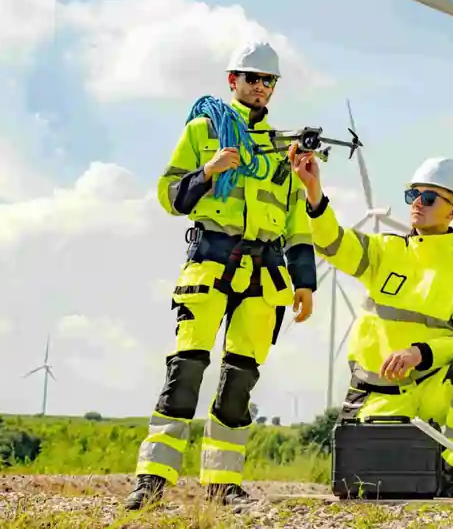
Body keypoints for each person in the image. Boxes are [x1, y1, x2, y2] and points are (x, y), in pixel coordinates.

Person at [125, 41, 319, 511]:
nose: (259, 87)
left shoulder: (283, 146)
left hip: (267, 273)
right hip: (210, 261)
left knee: (239, 380)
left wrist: (305, 281)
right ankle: (152, 478)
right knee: (185, 370)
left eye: (267, 80)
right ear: (232, 81)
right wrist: (209, 172)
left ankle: (222, 484)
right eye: (251, 78)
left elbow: (296, 220)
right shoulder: (203, 129)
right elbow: (170, 197)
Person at [290, 150, 453, 496]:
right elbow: (332, 243)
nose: (417, 203)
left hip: (433, 388)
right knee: (371, 485)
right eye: (413, 195)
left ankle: (452, 467)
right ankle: (426, 469)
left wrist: (423, 353)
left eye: (429, 197)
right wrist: (314, 193)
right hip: (378, 391)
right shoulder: (383, 251)